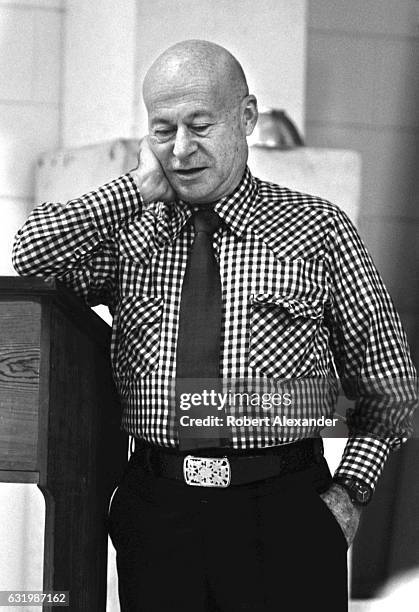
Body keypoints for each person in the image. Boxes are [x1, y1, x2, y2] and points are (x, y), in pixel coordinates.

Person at [12, 40, 417, 612]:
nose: (181, 150)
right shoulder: (132, 236)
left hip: (284, 513)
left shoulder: (318, 229)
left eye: (201, 125)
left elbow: (390, 384)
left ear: (246, 118)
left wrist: (349, 495)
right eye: (163, 130)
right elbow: (33, 253)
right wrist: (136, 188)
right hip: (158, 511)